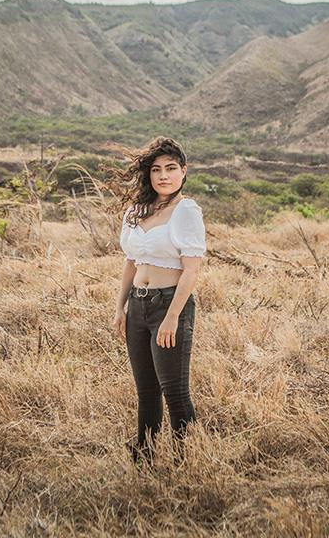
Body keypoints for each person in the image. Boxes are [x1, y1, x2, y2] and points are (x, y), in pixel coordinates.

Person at [109, 136, 207, 466]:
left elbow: (191, 271)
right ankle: (145, 455)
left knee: (175, 390)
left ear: (183, 172)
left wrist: (172, 317)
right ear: (148, 175)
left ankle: (186, 460)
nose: (163, 176)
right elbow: (131, 262)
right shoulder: (136, 212)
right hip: (138, 304)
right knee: (146, 391)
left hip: (170, 305)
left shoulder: (187, 212)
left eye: (170, 168)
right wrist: (120, 307)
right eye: (156, 170)